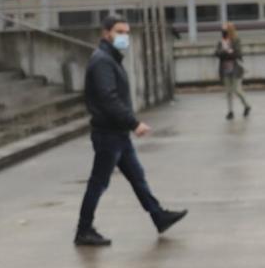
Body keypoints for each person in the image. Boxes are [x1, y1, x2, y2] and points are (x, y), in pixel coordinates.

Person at [74, 14, 187, 247]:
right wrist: (133, 123)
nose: (124, 36)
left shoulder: (110, 58)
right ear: (106, 34)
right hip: (109, 134)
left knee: (138, 178)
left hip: (117, 134)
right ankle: (84, 229)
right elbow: (109, 99)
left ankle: (158, 216)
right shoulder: (103, 61)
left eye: (126, 32)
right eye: (119, 32)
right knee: (98, 183)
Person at [215, 22, 251, 119]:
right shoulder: (221, 42)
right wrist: (226, 52)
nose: (223, 32)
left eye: (225, 30)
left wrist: (227, 53)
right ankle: (230, 111)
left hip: (236, 69)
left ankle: (247, 105)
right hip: (225, 69)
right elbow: (217, 53)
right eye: (222, 30)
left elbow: (238, 54)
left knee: (237, 90)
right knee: (228, 91)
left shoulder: (236, 40)